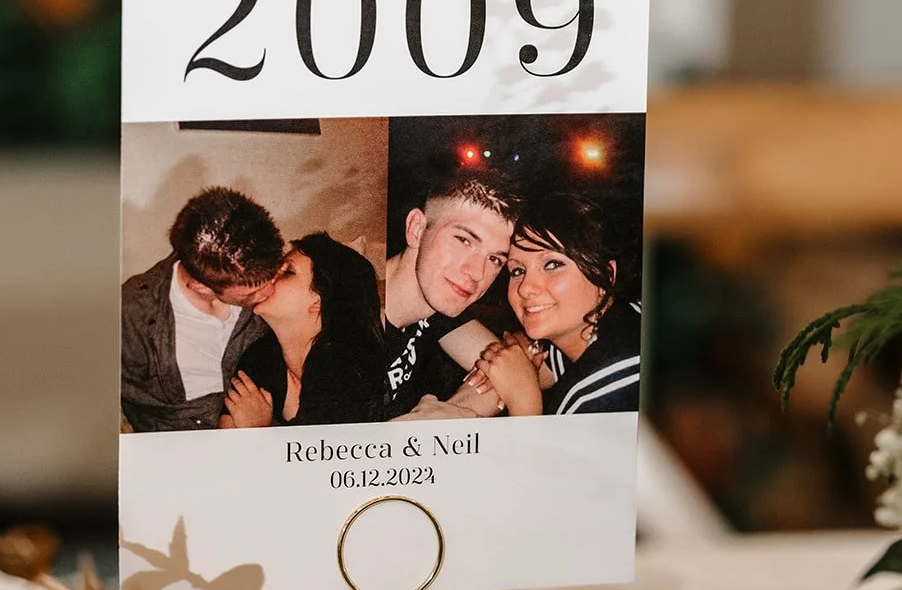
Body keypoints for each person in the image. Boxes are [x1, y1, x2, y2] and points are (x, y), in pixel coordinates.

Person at [121, 187, 284, 432]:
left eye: (275, 277)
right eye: (252, 295)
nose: (271, 293)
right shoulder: (132, 314)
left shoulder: (262, 276)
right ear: (200, 286)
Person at [473, 192, 641, 416]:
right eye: (517, 270)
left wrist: (524, 401)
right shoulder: (623, 318)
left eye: (552, 265)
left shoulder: (594, 398)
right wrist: (524, 351)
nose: (525, 288)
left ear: (606, 274)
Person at [380, 169, 521, 419]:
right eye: (464, 240)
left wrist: (449, 414)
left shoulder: (436, 307)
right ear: (416, 229)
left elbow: (511, 373)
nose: (477, 273)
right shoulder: (344, 323)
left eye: (494, 259)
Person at [219, 233, 384, 428]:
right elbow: (226, 430)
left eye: (288, 271)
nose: (270, 275)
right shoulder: (262, 355)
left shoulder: (349, 379)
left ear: (318, 303)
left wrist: (257, 434)